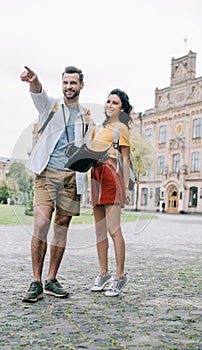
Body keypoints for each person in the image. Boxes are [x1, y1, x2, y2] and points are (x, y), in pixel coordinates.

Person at [20, 65, 93, 302]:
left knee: (61, 227)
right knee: (41, 224)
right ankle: (36, 281)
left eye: (73, 83)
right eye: (65, 83)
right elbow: (38, 93)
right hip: (46, 173)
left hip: (72, 177)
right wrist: (34, 80)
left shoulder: (87, 116)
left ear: (81, 85)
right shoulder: (50, 106)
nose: (69, 87)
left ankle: (51, 279)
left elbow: (88, 147)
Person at [90, 88, 132, 297]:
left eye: (114, 103)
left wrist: (124, 186)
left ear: (121, 107)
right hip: (95, 175)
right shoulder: (98, 128)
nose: (109, 105)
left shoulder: (121, 128)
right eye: (108, 101)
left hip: (111, 173)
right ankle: (103, 273)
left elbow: (125, 159)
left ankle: (120, 276)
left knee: (114, 230)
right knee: (99, 231)